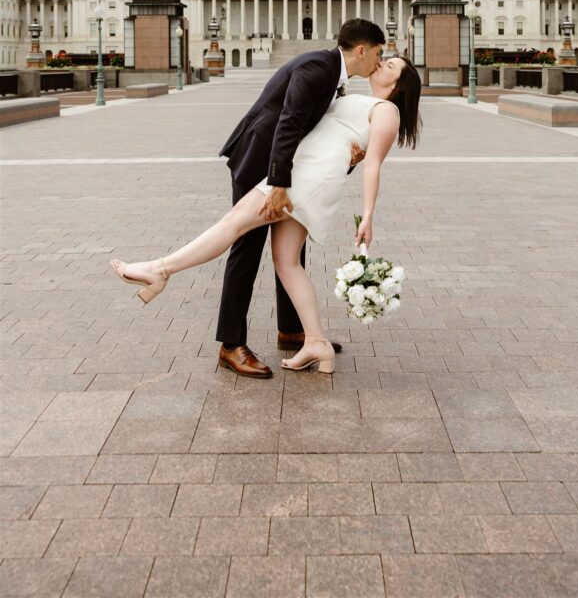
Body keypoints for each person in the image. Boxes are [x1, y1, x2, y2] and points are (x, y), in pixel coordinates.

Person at [111, 53, 422, 376]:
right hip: (305, 173)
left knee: (232, 225)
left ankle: (159, 270)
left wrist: (367, 215)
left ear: (399, 85)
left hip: (305, 178)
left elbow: (373, 165)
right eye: (384, 59)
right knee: (286, 263)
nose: (382, 62)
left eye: (390, 66)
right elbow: (337, 139)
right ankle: (316, 342)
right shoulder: (359, 99)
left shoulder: (388, 110)